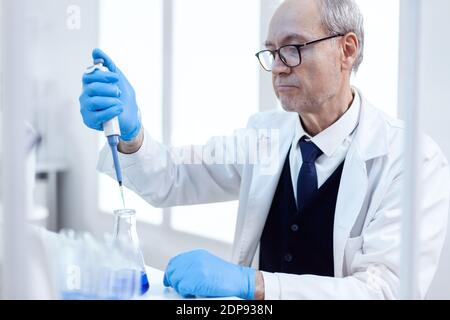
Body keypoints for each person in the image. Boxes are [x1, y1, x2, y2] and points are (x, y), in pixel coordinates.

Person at [79, 0, 450, 300]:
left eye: (291, 48)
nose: (277, 68)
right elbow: (175, 177)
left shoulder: (413, 161)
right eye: (271, 52)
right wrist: (132, 134)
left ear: (346, 49)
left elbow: (385, 292)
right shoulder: (264, 136)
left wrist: (252, 285)